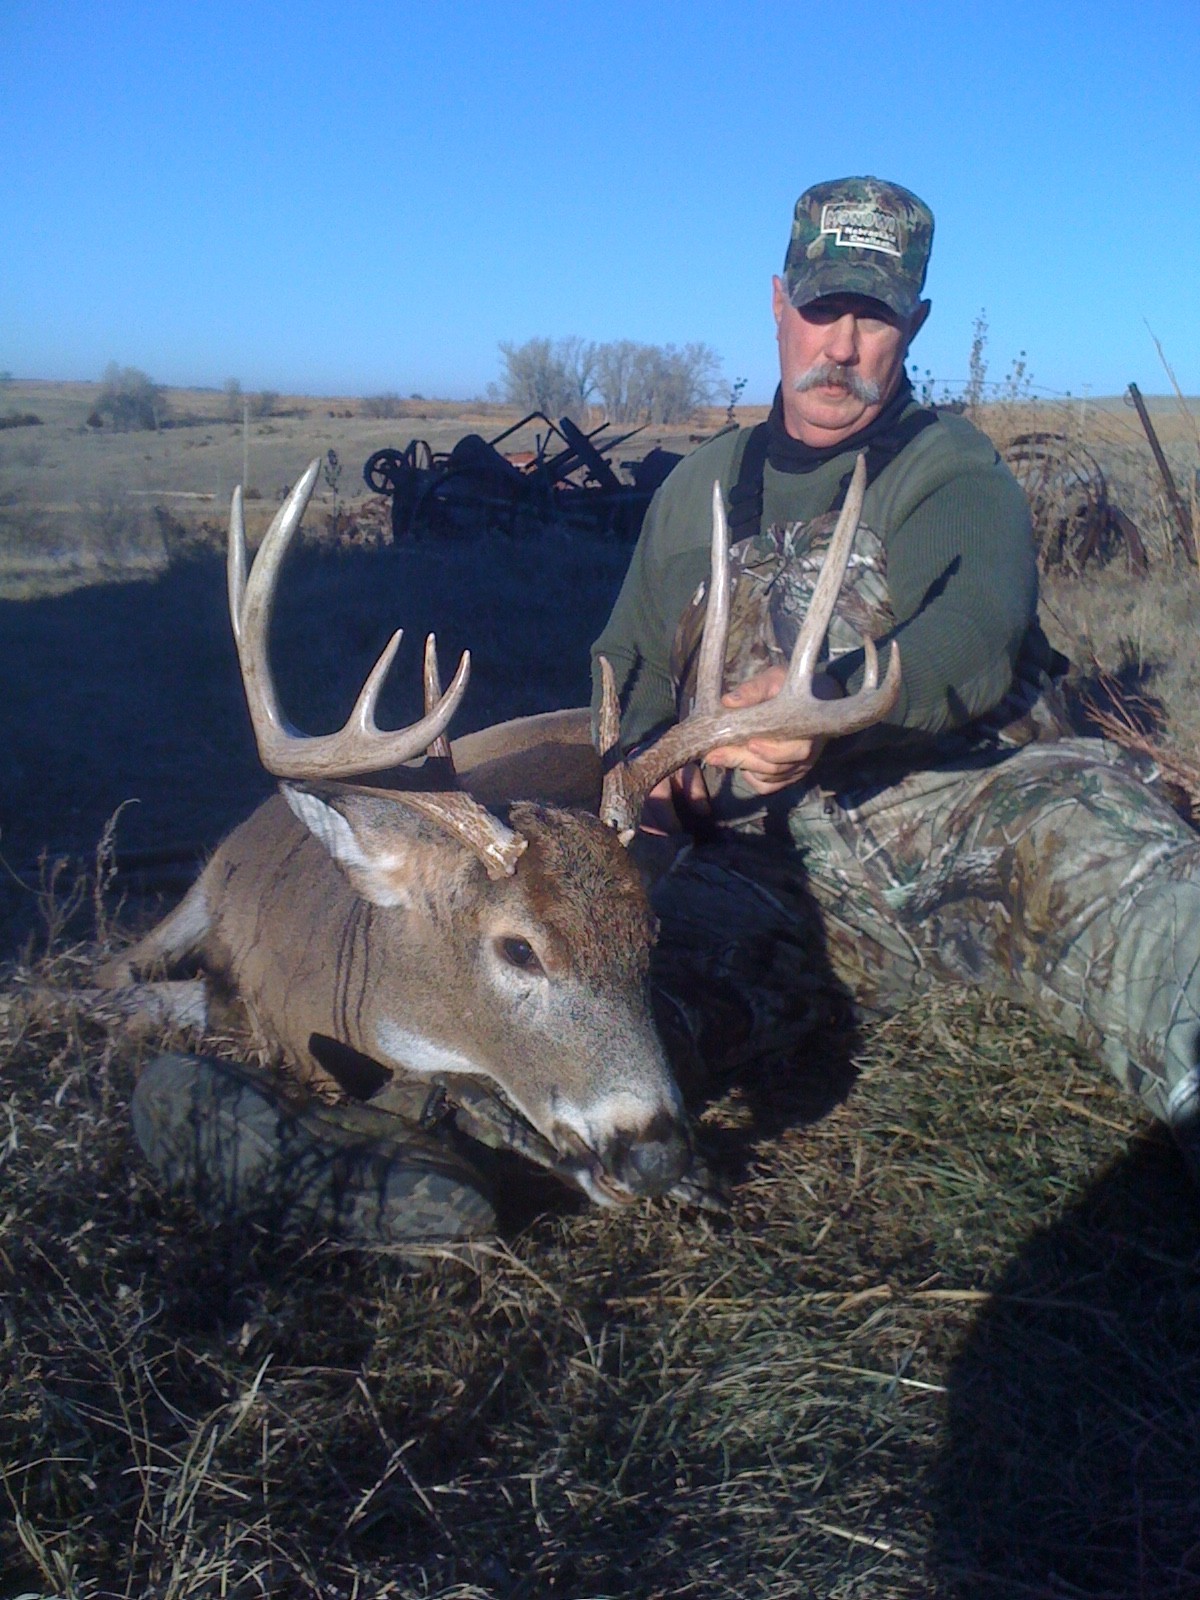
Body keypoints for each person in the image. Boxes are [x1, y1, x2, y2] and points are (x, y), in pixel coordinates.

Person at [591, 175, 1200, 1181]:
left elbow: (977, 631)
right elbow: (630, 671)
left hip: (985, 812)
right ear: (778, 303)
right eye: (823, 308)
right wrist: (649, 787)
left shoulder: (952, 469)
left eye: (872, 316)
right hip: (770, 867)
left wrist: (817, 707)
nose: (841, 344)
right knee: (604, 1019)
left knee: (1148, 909)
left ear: (913, 324)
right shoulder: (696, 489)